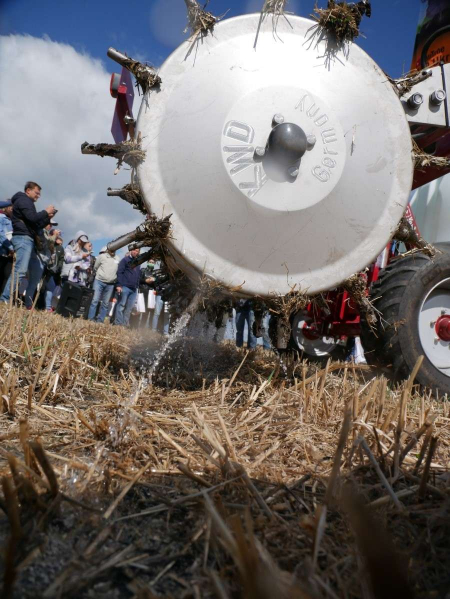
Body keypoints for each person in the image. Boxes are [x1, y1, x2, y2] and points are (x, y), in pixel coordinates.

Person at [0, 182, 56, 308]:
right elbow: (33, 218)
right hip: (23, 238)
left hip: (26, 239)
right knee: (20, 270)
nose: (38, 196)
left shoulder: (26, 202)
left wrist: (47, 217)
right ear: (28, 191)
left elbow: (35, 224)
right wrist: (45, 211)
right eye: (36, 193)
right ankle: (5, 299)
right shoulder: (24, 200)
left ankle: (8, 299)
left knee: (21, 270)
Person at [88, 246, 119, 323]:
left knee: (105, 303)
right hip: (99, 281)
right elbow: (96, 267)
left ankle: (100, 320)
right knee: (95, 300)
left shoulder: (118, 258)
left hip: (110, 284)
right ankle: (91, 319)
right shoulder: (102, 256)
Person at [114, 247, 141, 326]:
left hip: (134, 289)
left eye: (137, 251)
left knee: (129, 308)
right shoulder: (125, 260)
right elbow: (120, 272)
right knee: (121, 305)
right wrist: (119, 285)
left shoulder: (138, 262)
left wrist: (137, 286)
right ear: (131, 250)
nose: (135, 252)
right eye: (134, 250)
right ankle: (118, 323)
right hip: (125, 286)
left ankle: (125, 324)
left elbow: (138, 275)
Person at [0, 200, 14, 296]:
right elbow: (1, 234)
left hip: (8, 254)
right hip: (2, 250)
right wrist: (11, 247)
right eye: (12, 208)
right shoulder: (1, 218)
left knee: (6, 275)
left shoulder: (13, 221)